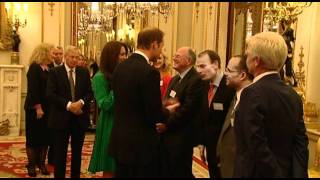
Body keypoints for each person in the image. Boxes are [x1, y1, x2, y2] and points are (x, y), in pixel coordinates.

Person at [233, 32, 309, 178]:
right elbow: (300, 143)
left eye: (247, 55)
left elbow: (256, 144)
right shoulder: (293, 95)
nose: (245, 58)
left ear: (256, 61)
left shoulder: (251, 93)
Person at [109, 27, 179, 178]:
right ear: (154, 44)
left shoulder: (120, 67)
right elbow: (153, 114)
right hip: (141, 145)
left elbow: (129, 101)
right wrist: (169, 110)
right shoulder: (149, 72)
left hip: (121, 140)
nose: (161, 51)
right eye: (161, 46)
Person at [157, 47, 206, 177]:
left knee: (180, 172)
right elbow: (167, 102)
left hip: (182, 136)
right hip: (168, 136)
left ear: (188, 60)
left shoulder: (195, 80)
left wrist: (166, 125)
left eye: (178, 56)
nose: (174, 58)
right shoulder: (175, 79)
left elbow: (187, 110)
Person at [46, 45, 92, 178]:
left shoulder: (83, 72)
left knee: (77, 154)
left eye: (77, 57)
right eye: (72, 57)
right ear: (65, 57)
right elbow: (50, 94)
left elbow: (89, 93)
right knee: (60, 154)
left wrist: (81, 103)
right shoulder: (55, 72)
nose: (75, 60)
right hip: (61, 118)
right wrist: (69, 105)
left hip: (79, 118)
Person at [88, 41, 128, 177]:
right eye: (121, 54)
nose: (124, 57)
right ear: (112, 56)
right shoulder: (99, 77)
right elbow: (104, 104)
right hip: (110, 124)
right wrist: (117, 85)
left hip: (125, 122)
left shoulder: (124, 74)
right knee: (110, 166)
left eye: (125, 54)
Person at [195, 50, 235, 178]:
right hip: (209, 149)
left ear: (215, 64)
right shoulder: (203, 85)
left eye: (202, 66)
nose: (198, 70)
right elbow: (203, 117)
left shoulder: (230, 86)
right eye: (197, 66)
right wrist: (202, 143)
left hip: (225, 151)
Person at [216, 55, 253, 177]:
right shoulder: (235, 96)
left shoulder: (252, 100)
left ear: (242, 75)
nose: (225, 73)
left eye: (229, 71)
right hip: (228, 165)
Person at [24, 43, 54, 177]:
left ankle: (41, 163)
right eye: (51, 52)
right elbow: (33, 90)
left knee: (45, 137)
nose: (53, 54)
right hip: (35, 108)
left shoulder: (50, 67)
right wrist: (38, 107)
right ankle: (31, 165)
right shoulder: (34, 68)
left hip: (48, 108)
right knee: (33, 137)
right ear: (44, 53)